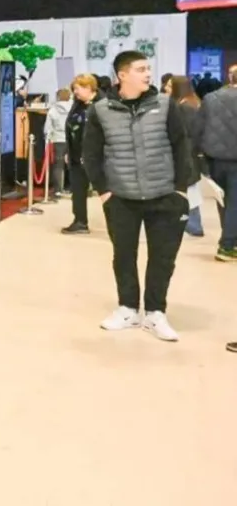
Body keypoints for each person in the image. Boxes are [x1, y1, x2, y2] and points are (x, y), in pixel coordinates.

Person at [83, 50, 196, 342]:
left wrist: (181, 189)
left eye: (148, 69)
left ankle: (156, 313)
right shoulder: (100, 110)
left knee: (163, 258)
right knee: (123, 255)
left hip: (165, 195)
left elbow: (181, 146)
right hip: (121, 198)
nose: (148, 74)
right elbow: (91, 154)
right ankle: (128, 308)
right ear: (122, 75)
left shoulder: (165, 104)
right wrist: (104, 192)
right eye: (141, 69)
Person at [197, 62, 237, 262]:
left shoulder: (210, 98)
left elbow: (199, 127)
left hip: (214, 158)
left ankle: (231, 240)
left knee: (223, 201)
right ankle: (227, 245)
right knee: (235, 203)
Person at [167, 75, 205, 237]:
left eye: (169, 86)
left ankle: (193, 224)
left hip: (187, 156)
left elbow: (190, 134)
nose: (166, 88)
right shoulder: (191, 103)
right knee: (190, 190)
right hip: (190, 156)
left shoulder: (185, 107)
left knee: (189, 191)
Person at [62, 74, 100, 234]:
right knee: (77, 191)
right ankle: (80, 221)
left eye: (77, 89)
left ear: (88, 87)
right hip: (76, 155)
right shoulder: (77, 104)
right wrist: (68, 150)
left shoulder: (102, 104)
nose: (75, 92)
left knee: (106, 191)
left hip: (96, 156)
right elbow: (71, 128)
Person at [45, 87, 72, 195]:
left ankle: (58, 190)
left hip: (58, 139)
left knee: (58, 166)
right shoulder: (74, 108)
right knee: (73, 164)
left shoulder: (53, 110)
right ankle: (71, 187)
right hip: (72, 139)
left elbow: (48, 127)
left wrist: (48, 138)